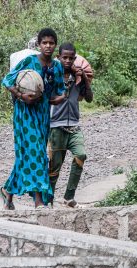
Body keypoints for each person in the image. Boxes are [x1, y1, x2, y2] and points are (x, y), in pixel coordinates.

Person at [0, 28, 66, 209]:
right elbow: (7, 80)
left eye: (51, 43)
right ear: (39, 45)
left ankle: (8, 191)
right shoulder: (29, 61)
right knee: (37, 153)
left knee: (27, 154)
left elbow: (59, 91)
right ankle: (38, 200)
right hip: (25, 114)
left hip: (43, 115)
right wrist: (21, 96)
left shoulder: (57, 66)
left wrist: (59, 98)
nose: (48, 46)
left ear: (55, 45)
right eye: (44, 43)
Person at [48, 43, 93, 208]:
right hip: (55, 126)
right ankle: (48, 200)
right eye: (64, 57)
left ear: (75, 58)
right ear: (58, 58)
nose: (67, 61)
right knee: (54, 168)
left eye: (70, 58)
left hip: (74, 125)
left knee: (81, 155)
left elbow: (88, 98)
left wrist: (85, 79)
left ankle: (69, 196)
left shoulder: (78, 78)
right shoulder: (52, 77)